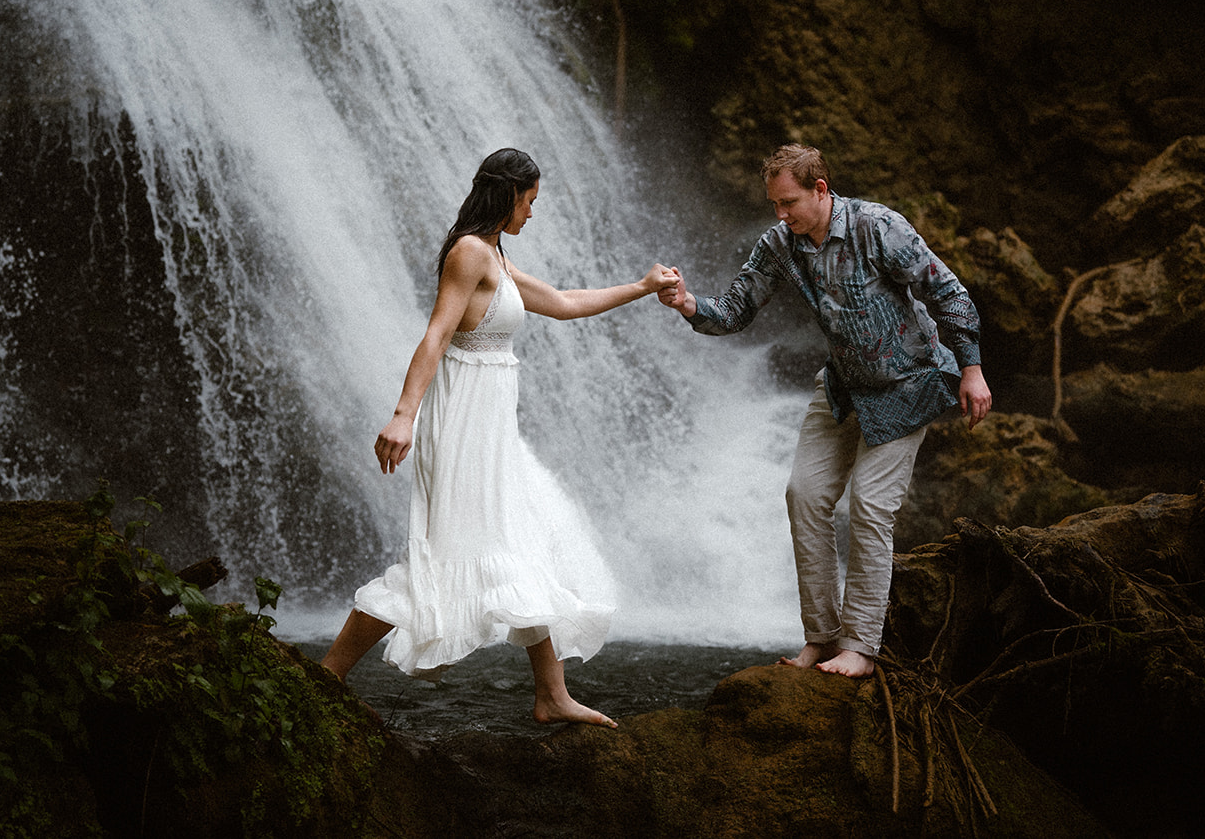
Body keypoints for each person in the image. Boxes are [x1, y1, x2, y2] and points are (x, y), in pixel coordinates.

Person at [320, 147, 678, 728]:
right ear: (509, 194)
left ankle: (551, 695)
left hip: (491, 428)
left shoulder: (494, 257)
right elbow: (436, 335)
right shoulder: (468, 253)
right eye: (531, 201)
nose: (533, 212)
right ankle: (328, 672)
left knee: (519, 543)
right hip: (461, 425)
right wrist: (404, 414)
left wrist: (641, 286)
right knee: (442, 558)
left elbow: (562, 304)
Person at [658, 144, 991, 678]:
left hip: (910, 385)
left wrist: (971, 370)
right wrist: (687, 304)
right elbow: (736, 309)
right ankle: (821, 636)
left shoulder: (878, 227)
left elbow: (948, 292)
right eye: (774, 205)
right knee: (804, 494)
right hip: (843, 386)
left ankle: (860, 647)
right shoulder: (780, 244)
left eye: (788, 202)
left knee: (869, 506)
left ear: (820, 190)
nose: (780, 215)